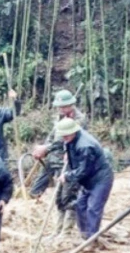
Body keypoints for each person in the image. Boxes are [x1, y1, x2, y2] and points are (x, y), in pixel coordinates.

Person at [31, 89, 89, 236]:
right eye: (59, 107)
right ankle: (57, 230)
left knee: (68, 195)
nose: (61, 109)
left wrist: (47, 148)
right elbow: (52, 136)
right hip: (55, 159)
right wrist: (43, 149)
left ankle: (66, 231)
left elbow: (65, 139)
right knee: (58, 196)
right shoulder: (59, 118)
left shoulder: (79, 120)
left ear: (72, 105)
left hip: (70, 161)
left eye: (64, 107)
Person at [56, 118, 114, 240]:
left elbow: (83, 170)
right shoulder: (71, 139)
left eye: (66, 136)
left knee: (93, 208)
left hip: (100, 179)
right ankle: (85, 236)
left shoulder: (85, 146)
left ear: (73, 132)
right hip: (88, 179)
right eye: (63, 136)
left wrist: (67, 176)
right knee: (80, 205)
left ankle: (92, 239)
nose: (64, 138)